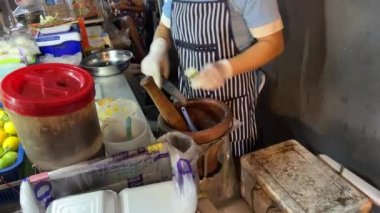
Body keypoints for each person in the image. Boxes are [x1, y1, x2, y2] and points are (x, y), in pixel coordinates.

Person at [141, 0, 284, 157]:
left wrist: (225, 69)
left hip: (233, 108)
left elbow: (273, 42)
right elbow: (164, 27)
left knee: (232, 168)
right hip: (186, 100)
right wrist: (157, 48)